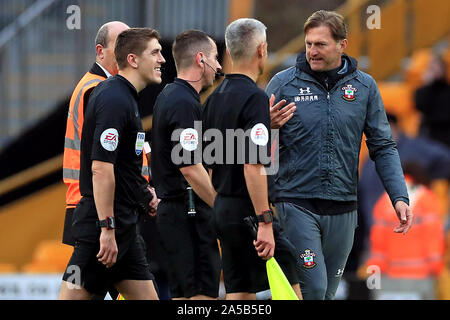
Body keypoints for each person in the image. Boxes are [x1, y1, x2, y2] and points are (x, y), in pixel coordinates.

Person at [265, 10, 413, 300]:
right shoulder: (283, 85)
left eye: (320, 44)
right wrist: (265, 127)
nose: (311, 51)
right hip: (295, 203)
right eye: (308, 44)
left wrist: (399, 196)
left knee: (328, 294)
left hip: (344, 207)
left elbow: (382, 146)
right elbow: (253, 145)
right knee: (315, 289)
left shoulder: (365, 87)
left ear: (342, 45)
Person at [58, 27, 166, 300]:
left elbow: (124, 167)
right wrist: (107, 227)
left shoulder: (125, 96)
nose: (162, 59)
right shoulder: (112, 97)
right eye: (155, 52)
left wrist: (145, 196)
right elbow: (102, 167)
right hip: (102, 227)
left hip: (124, 226)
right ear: (132, 59)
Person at [202, 18, 302, 300]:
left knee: (240, 293)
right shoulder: (255, 98)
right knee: (290, 290)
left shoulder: (213, 99)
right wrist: (265, 222)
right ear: (262, 50)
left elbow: (214, 157)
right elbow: (253, 164)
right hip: (251, 213)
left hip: (224, 208)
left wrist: (263, 127)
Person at [150, 30, 222, 300]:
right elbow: (189, 166)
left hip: (176, 214)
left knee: (184, 294)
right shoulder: (183, 102)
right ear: (200, 59)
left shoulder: (171, 95)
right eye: (215, 58)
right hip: (187, 213)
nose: (219, 66)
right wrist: (219, 205)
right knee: (201, 295)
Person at [62, 20, 129, 247]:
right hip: (93, 203)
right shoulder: (98, 90)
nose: (128, 51)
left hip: (93, 202)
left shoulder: (102, 87)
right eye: (121, 44)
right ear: (100, 51)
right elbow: (103, 161)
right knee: (85, 277)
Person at [366, 162, 445, 300]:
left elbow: (377, 245)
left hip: (388, 279)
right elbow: (433, 239)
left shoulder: (384, 202)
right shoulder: (427, 200)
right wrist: (436, 268)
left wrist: (374, 273)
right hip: (421, 278)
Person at [414, 54, 450, 148]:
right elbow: (420, 106)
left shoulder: (447, 90)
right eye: (432, 68)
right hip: (430, 131)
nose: (435, 71)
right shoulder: (422, 91)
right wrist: (428, 85)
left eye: (437, 67)